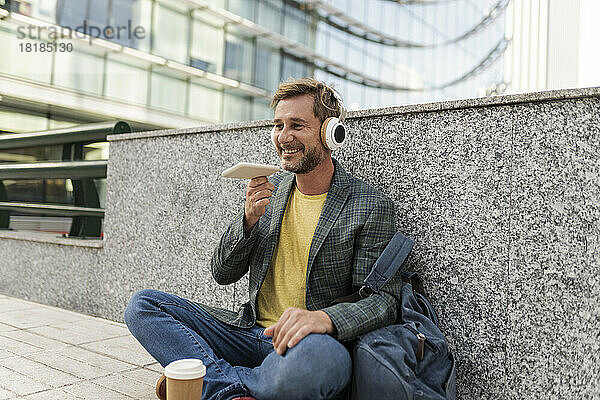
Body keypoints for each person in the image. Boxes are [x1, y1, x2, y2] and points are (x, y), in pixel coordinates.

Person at [124, 78, 403, 400]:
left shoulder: (369, 206)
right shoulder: (271, 191)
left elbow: (385, 301)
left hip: (307, 344)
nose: (284, 137)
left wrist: (323, 318)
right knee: (143, 305)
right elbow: (222, 273)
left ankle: (206, 381)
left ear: (330, 132)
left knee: (321, 362)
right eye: (278, 125)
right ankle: (234, 387)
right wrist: (248, 221)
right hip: (248, 331)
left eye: (297, 125)